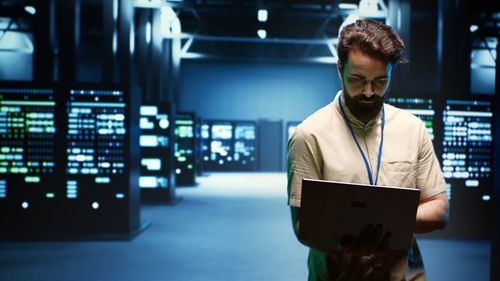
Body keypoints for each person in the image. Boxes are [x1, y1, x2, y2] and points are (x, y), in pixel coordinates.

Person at [287, 19, 449, 281]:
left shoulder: (413, 129)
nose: (369, 92)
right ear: (340, 69)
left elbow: (439, 209)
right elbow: (302, 227)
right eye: (358, 79)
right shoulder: (309, 135)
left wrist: (372, 223)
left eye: (381, 81)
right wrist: (368, 233)